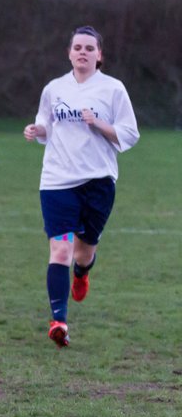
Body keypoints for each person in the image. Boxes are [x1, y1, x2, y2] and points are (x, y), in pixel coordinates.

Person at [23, 25, 139, 348]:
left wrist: (99, 124)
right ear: (69, 52)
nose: (83, 53)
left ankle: (82, 273)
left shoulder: (113, 90)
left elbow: (129, 134)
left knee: (83, 251)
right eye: (78, 47)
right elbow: (46, 123)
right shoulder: (54, 88)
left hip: (98, 182)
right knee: (59, 248)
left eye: (90, 48)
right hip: (57, 182)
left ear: (99, 55)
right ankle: (58, 321)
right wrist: (37, 129)